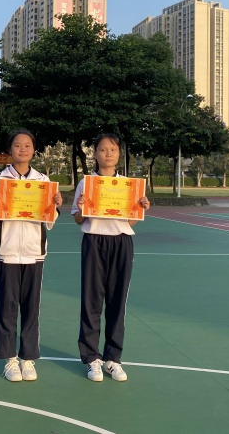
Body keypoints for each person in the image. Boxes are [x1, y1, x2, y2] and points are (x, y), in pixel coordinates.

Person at [0, 129, 63, 382]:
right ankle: (9, 359)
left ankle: (28, 358)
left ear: (33, 150)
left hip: (33, 252)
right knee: (7, 307)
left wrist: (55, 203)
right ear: (10, 150)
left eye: (27, 145)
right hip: (6, 253)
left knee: (31, 307)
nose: (23, 149)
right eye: (18, 145)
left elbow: (50, 217)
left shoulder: (43, 180)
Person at [71, 133, 150, 383]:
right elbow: (78, 219)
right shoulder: (86, 184)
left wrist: (140, 208)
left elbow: (130, 221)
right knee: (91, 301)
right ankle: (91, 358)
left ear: (119, 154)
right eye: (103, 149)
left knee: (117, 301)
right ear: (95, 154)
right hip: (94, 241)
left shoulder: (128, 185)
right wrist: (82, 207)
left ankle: (113, 358)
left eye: (113, 150)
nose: (108, 154)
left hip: (121, 243)